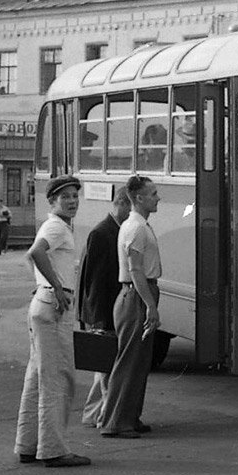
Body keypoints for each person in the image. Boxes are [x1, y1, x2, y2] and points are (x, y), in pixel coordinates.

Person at [13, 174, 91, 468]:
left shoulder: (54, 225)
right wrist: (57, 287)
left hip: (43, 303)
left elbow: (35, 256)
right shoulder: (57, 227)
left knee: (37, 377)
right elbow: (34, 253)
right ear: (52, 201)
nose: (72, 202)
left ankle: (28, 445)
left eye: (74, 196)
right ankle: (54, 450)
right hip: (54, 304)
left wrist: (46, 286)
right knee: (57, 377)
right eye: (65, 197)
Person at [99, 175, 162, 439]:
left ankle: (129, 418)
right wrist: (151, 306)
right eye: (153, 193)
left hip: (137, 294)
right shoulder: (136, 228)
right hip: (136, 295)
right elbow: (135, 270)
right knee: (129, 362)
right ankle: (116, 423)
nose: (158, 197)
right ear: (139, 198)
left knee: (138, 362)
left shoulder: (136, 224)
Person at [77, 187, 133, 428]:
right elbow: (95, 281)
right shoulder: (103, 233)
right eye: (130, 206)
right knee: (107, 369)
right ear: (120, 203)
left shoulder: (114, 231)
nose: (132, 212)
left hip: (107, 310)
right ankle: (103, 417)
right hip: (105, 312)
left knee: (104, 369)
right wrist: (98, 320)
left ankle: (92, 415)